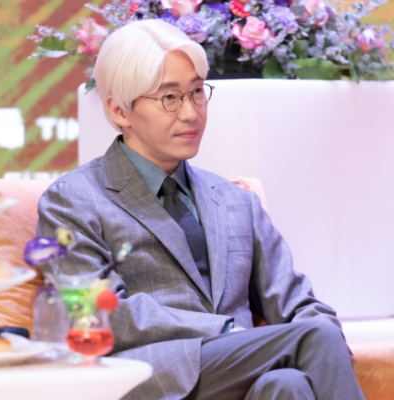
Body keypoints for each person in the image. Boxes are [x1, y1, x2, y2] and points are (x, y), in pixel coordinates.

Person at [36, 19, 365, 400]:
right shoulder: (73, 199)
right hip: (149, 377)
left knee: (287, 382)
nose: (191, 113)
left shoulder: (235, 200)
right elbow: (98, 311)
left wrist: (326, 344)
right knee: (314, 339)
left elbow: (298, 304)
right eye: (170, 97)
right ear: (120, 110)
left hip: (239, 373)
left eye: (196, 92)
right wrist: (221, 331)